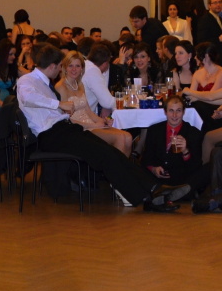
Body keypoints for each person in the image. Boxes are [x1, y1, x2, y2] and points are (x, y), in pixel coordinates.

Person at [16, 44, 187, 212]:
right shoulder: (28, 80)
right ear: (52, 66)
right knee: (105, 155)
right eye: (61, 65)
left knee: (112, 152)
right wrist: (59, 104)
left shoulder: (45, 83)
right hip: (51, 135)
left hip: (65, 129)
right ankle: (147, 197)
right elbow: (28, 98)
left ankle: (155, 188)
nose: (61, 69)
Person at [55, 51, 132, 156]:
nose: (74, 69)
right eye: (70, 66)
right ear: (65, 67)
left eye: (77, 66)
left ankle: (123, 167)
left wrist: (103, 121)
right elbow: (66, 119)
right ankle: (114, 167)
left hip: (90, 124)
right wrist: (93, 125)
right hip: (78, 129)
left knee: (128, 137)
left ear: (82, 69)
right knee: (120, 138)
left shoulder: (79, 85)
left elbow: (88, 111)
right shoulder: (61, 87)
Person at [142, 95, 207, 192]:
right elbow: (146, 158)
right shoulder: (154, 130)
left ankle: (169, 193)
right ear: (165, 112)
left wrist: (185, 151)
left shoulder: (194, 133)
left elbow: (195, 166)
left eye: (178, 111)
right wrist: (153, 169)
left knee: (202, 174)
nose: (174, 115)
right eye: (171, 110)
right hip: (156, 178)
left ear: (184, 112)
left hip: (181, 180)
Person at [196, 0, 222, 67]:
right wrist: (218, 39)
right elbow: (201, 41)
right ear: (209, 6)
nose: (218, 5)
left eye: (219, 2)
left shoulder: (221, 20)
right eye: (215, 3)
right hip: (212, 59)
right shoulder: (204, 20)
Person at [0, 38, 18, 110]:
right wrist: (2, 105)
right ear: (3, 55)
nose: (14, 57)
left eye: (14, 54)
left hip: (8, 101)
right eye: (11, 54)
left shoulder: (12, 67)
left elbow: (30, 75)